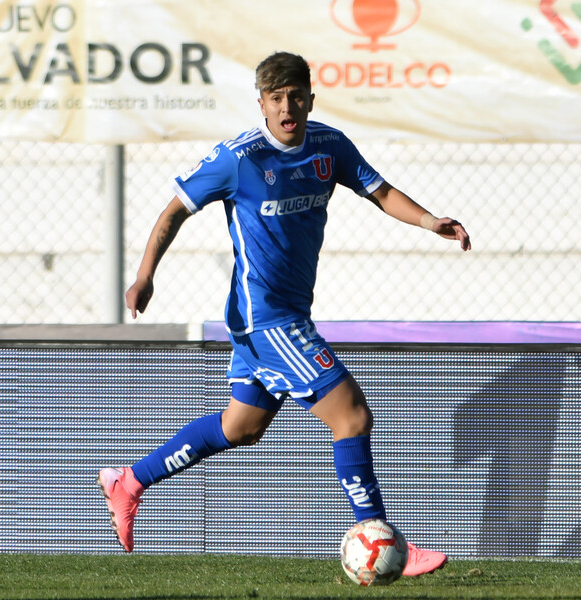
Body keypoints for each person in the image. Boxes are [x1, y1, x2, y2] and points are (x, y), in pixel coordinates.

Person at [98, 51, 471, 576]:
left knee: (241, 426)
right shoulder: (239, 158)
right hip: (266, 319)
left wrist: (431, 222)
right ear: (262, 104)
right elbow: (173, 211)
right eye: (276, 98)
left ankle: (129, 481)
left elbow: (380, 191)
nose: (287, 107)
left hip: (286, 314)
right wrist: (144, 276)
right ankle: (384, 542)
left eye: (295, 96)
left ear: (310, 100)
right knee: (351, 415)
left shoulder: (329, 146)